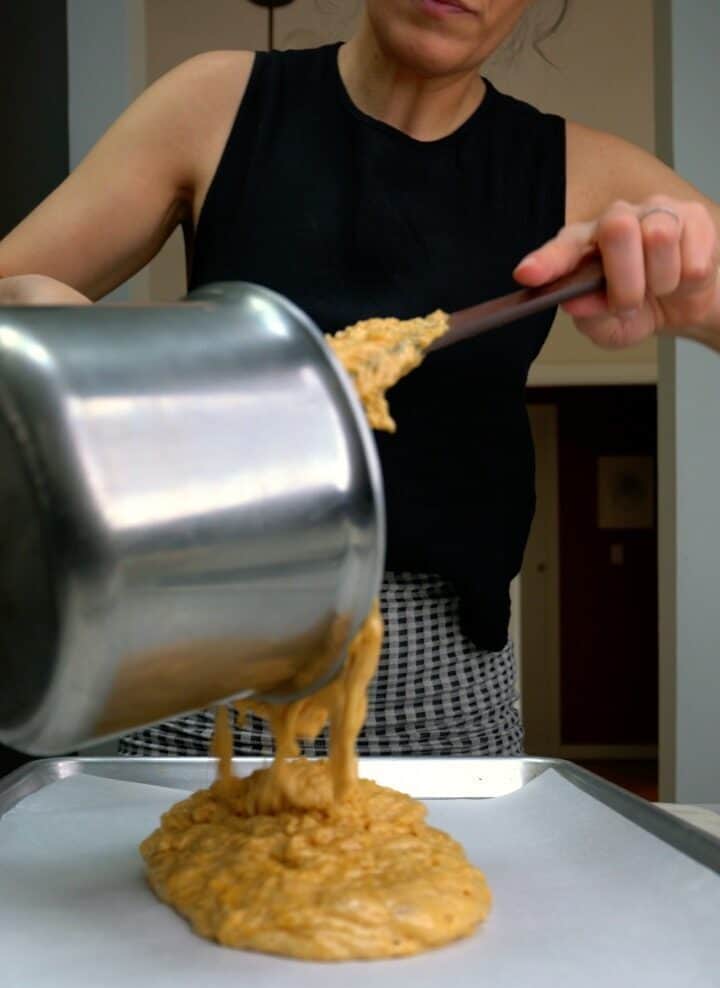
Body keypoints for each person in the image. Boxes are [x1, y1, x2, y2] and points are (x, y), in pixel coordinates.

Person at [1, 1, 718, 759]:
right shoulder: (214, 103)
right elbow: (13, 291)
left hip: (446, 700)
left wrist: (701, 299)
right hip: (194, 672)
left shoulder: (580, 170)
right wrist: (32, 314)